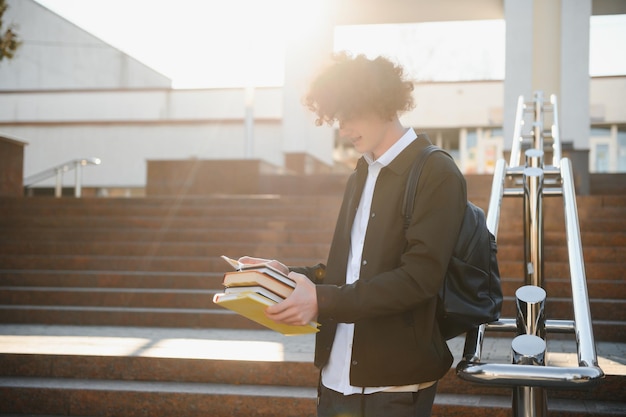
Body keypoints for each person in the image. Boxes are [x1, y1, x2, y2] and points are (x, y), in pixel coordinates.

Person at [241, 52, 467, 417]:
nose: (343, 129)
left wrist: (322, 300)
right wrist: (288, 275)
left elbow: (419, 280)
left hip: (394, 386)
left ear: (382, 103)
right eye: (336, 118)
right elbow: (350, 273)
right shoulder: (360, 174)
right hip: (335, 378)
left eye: (349, 114)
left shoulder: (436, 172)